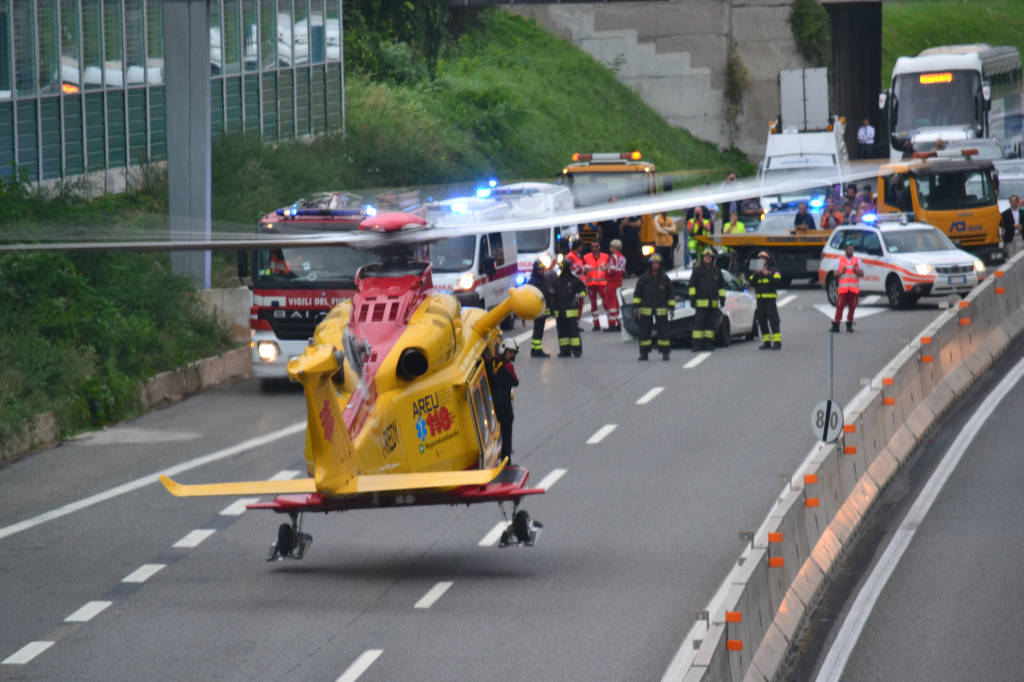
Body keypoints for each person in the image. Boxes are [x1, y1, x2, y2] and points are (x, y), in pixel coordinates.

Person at [632, 253, 675, 361]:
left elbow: (670, 294)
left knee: (664, 333)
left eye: (657, 263)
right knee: (644, 333)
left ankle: (665, 353)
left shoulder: (665, 278)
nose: (656, 265)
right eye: (654, 263)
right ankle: (644, 353)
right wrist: (636, 307)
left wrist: (671, 307)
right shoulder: (644, 278)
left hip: (662, 310)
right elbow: (637, 294)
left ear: (660, 264)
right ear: (651, 264)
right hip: (646, 310)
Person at [687, 248, 725, 351]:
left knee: (710, 326)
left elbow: (721, 286)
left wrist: (722, 298)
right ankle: (697, 345)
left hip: (712, 304)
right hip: (700, 304)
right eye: (705, 257)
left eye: (709, 257)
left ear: (712, 258)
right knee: (698, 325)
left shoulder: (717, 271)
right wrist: (692, 298)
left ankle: (708, 344)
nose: (707, 258)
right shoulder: (697, 270)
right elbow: (692, 286)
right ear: (702, 258)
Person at [490, 338, 520, 463]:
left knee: (496, 431)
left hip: (493, 403)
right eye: (510, 352)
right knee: (507, 434)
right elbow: (516, 382)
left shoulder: (491, 363)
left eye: (513, 352)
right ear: (504, 350)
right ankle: (506, 460)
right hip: (505, 405)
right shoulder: (508, 366)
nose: (512, 355)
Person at [552, 258, 585, 357]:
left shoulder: (573, 280)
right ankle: (565, 351)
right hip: (560, 312)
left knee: (572, 332)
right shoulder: (557, 281)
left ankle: (576, 351)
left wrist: (581, 295)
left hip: (569, 312)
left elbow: (583, 289)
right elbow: (553, 296)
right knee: (563, 334)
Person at [751, 251, 782, 350]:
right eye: (760, 259)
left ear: (767, 260)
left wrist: (768, 274)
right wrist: (757, 274)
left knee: (774, 321)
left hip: (770, 301)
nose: (762, 261)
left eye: (763, 259)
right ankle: (767, 341)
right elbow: (751, 282)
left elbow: (778, 281)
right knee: (761, 321)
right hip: (760, 302)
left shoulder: (773, 271)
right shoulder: (756, 273)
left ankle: (777, 342)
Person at [831, 241, 864, 332]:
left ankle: (849, 324)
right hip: (843, 289)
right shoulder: (839, 260)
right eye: (849, 249)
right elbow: (835, 274)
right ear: (845, 250)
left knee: (852, 307)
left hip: (853, 289)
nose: (851, 251)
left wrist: (856, 271)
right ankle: (836, 324)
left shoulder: (857, 261)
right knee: (840, 307)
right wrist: (842, 272)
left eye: (852, 249)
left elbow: (861, 274)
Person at [527, 260, 552, 357]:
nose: (542, 271)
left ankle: (535, 349)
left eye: (543, 269)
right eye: (540, 270)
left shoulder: (541, 279)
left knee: (539, 329)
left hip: (542, 308)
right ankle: (537, 350)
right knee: (538, 329)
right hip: (538, 309)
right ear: (536, 270)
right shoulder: (534, 281)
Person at [583, 240, 609, 330]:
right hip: (591, 284)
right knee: (593, 304)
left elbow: (608, 269)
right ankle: (596, 324)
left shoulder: (605, 256)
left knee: (606, 303)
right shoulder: (586, 257)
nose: (595, 248)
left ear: (599, 247)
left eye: (596, 246)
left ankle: (611, 322)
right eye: (593, 247)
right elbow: (583, 271)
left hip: (602, 283)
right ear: (591, 248)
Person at [605, 239, 627, 331]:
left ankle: (612, 324)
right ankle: (618, 322)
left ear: (614, 247)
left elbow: (612, 270)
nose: (610, 248)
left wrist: (605, 268)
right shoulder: (622, 257)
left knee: (612, 304)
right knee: (617, 303)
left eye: (611, 246)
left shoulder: (613, 257)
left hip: (612, 282)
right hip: (619, 281)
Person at [1000, 194, 1023, 260]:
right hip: (1010, 237)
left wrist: (1021, 226)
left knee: (1019, 257)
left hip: (1020, 236)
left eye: (1015, 201)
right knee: (1010, 256)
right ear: (1010, 202)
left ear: (1018, 202)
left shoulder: (1022, 212)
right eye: (1012, 201)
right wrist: (1012, 225)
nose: (1013, 203)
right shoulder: (1005, 213)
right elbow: (1001, 224)